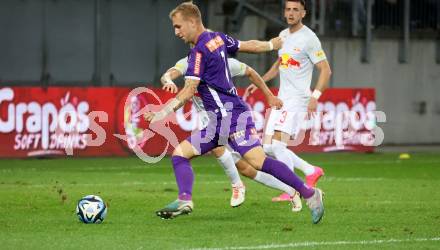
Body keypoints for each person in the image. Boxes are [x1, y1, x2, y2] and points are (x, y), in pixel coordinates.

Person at [144, 2, 324, 224]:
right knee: (181, 154)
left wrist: (163, 112)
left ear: (192, 22)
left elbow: (189, 90)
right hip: (219, 121)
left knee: (257, 161)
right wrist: (270, 45)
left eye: (178, 26)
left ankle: (308, 193)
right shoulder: (217, 38)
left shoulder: (198, 52)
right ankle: (185, 200)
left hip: (230, 118)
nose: (176, 32)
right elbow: (247, 45)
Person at [161, 56, 302, 211]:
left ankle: (238, 185)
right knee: (246, 169)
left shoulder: (226, 63)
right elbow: (170, 73)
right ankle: (291, 190)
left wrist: (269, 94)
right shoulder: (189, 62)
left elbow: (249, 71)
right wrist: (168, 80)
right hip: (208, 119)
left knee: (254, 160)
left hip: (232, 116)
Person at [246, 0, 332, 202]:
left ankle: (292, 189)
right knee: (267, 148)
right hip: (281, 98)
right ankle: (311, 171)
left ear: (303, 13)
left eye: (296, 10)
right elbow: (279, 64)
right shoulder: (284, 35)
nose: (291, 13)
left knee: (276, 147)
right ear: (284, 13)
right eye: (288, 9)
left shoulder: (309, 39)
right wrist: (260, 82)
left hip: (298, 99)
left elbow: (326, 70)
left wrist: (315, 96)